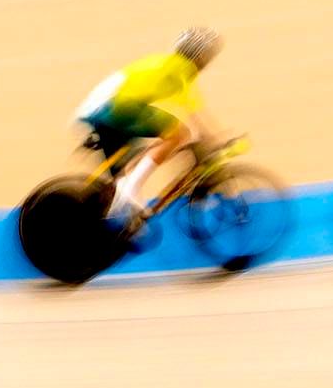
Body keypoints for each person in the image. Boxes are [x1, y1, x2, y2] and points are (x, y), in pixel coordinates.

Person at [73, 28, 229, 239]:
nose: (207, 62)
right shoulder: (182, 68)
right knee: (179, 134)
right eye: (207, 57)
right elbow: (193, 111)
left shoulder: (169, 65)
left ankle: (121, 210)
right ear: (199, 56)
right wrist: (216, 140)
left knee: (124, 172)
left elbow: (192, 106)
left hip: (100, 109)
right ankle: (130, 189)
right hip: (115, 106)